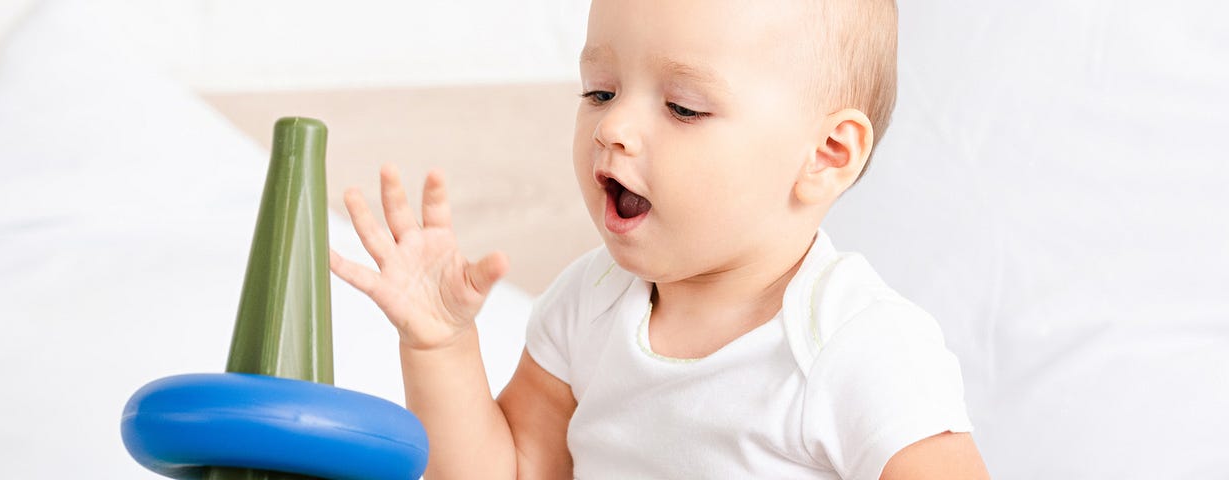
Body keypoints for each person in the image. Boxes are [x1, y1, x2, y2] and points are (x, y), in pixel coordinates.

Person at [328, 0, 989, 477]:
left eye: (682, 107)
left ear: (825, 153)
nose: (613, 126)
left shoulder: (857, 346)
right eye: (600, 91)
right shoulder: (588, 303)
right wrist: (441, 347)